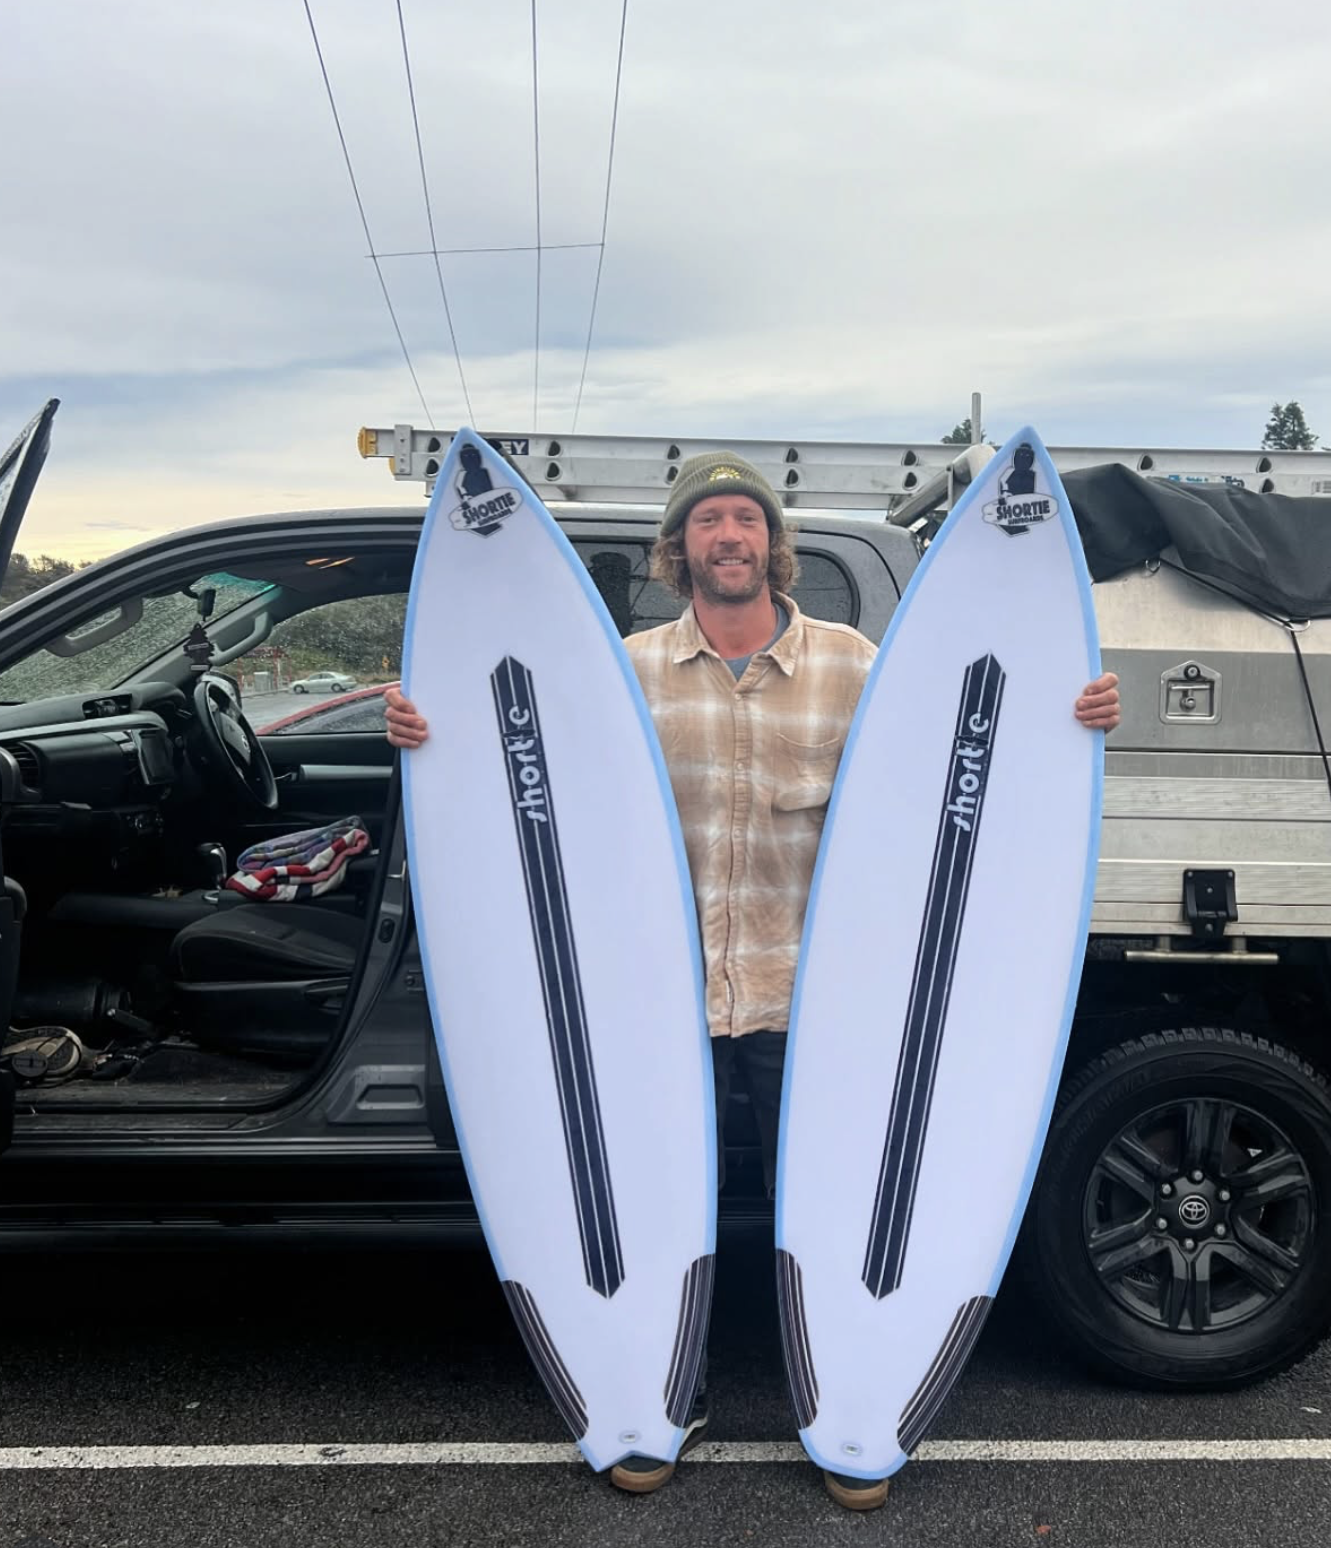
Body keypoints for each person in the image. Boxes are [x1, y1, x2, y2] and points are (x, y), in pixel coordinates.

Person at [385, 451, 1121, 1509]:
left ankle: (847, 1410)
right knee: (641, 1205)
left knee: (819, 1202)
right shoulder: (619, 671)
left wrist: (1075, 717)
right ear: (676, 548)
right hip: (656, 1004)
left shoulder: (858, 665)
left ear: (771, 545)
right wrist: (428, 732)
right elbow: (528, 770)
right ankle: (643, 1400)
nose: (726, 537)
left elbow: (960, 761)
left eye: (743, 520)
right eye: (705, 522)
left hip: (803, 1002)